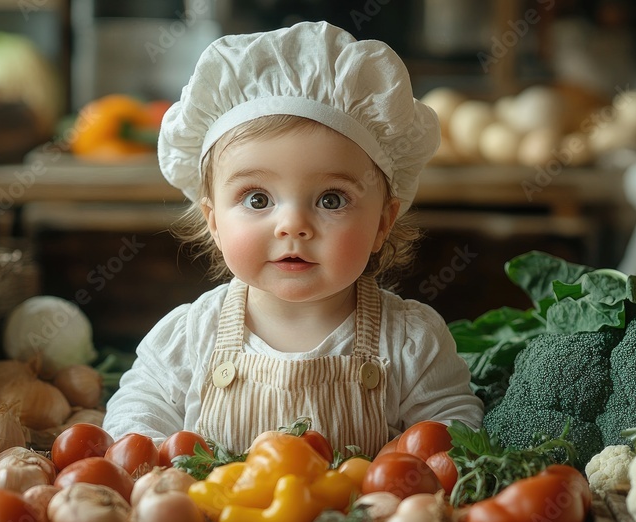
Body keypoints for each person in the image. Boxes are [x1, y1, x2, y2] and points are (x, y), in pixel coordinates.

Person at [103, 21, 484, 457]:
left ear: (382, 221)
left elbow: (453, 435)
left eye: (331, 199)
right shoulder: (189, 338)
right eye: (258, 198)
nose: (293, 225)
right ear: (213, 221)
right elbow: (134, 420)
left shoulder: (410, 342)